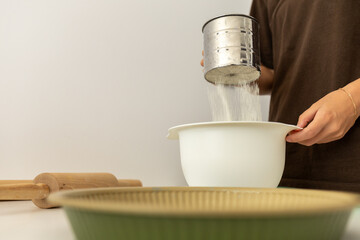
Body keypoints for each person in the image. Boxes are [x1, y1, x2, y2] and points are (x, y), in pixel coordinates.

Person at [201, 1, 360, 192]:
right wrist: (237, 71)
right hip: (285, 169)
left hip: (352, 170)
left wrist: (353, 100)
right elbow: (274, 72)